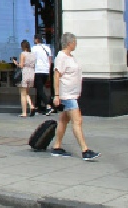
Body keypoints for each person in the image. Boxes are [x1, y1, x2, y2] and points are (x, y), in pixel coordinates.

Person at [50, 33, 100, 161]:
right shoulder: (61, 57)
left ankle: (57, 147)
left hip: (73, 94)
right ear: (69, 43)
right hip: (67, 95)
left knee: (63, 120)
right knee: (77, 121)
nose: (76, 44)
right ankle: (85, 150)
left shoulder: (71, 57)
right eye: (74, 42)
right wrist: (57, 95)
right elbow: (56, 76)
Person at [12, 40, 36, 117]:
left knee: (23, 93)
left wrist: (16, 63)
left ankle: (24, 112)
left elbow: (21, 65)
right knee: (27, 93)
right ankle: (31, 106)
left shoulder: (23, 54)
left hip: (25, 73)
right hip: (31, 73)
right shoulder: (32, 54)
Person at [33, 35, 53, 115]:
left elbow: (33, 59)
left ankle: (48, 106)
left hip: (38, 70)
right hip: (46, 70)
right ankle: (38, 107)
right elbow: (50, 60)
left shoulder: (34, 49)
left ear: (36, 40)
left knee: (40, 89)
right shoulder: (47, 48)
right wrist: (49, 70)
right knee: (40, 88)